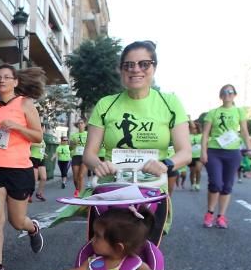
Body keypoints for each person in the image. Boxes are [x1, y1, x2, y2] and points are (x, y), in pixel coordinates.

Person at [83, 40, 190, 222]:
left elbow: (185, 152)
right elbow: (89, 154)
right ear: (121, 70)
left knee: (144, 248)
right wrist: (99, 165)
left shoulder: (170, 103)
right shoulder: (105, 104)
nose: (136, 69)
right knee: (106, 247)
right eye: (129, 65)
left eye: (144, 64)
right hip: (112, 188)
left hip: (152, 189)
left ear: (154, 67)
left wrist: (166, 164)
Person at [0, 65, 47, 270]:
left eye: (7, 77)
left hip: (18, 169)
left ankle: (33, 228)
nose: (2, 81)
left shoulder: (25, 104)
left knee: (17, 222)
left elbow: (38, 136)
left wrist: (17, 126)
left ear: (16, 82)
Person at [200, 84, 251, 228]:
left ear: (235, 95)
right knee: (216, 183)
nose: (227, 94)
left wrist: (250, 149)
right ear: (220, 95)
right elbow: (205, 134)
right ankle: (209, 213)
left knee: (227, 185)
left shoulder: (240, 111)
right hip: (214, 151)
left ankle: (221, 216)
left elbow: (244, 132)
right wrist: (203, 152)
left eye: (230, 92)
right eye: (224, 92)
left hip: (233, 152)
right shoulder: (213, 113)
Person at [69, 118, 88, 197]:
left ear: (85, 124)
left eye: (82, 123)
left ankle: (80, 194)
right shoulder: (73, 135)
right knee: (75, 177)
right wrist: (73, 144)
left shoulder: (88, 134)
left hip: (85, 156)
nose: (80, 125)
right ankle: (77, 189)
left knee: (81, 176)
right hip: (76, 156)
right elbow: (70, 148)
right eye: (79, 123)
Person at [188, 120, 203, 191]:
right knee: (192, 171)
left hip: (199, 155)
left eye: (195, 128)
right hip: (191, 156)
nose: (193, 130)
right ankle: (192, 184)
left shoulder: (201, 136)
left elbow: (205, 144)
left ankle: (197, 184)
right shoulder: (188, 136)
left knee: (198, 170)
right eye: (192, 128)